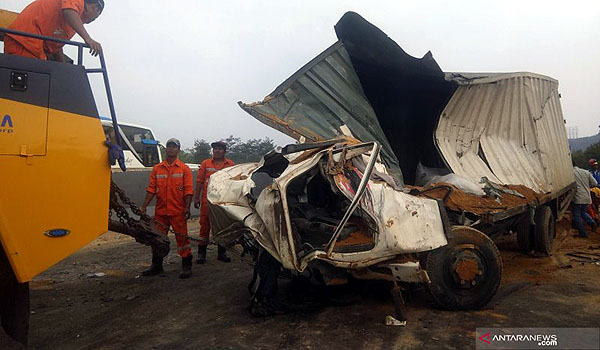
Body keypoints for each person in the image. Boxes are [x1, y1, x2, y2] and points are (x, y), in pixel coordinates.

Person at [141, 138, 194, 278]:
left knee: (182, 240)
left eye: (174, 147)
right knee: (157, 239)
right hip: (161, 212)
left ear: (178, 150)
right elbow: (151, 189)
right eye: (169, 147)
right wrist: (144, 206)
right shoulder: (157, 169)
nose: (171, 149)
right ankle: (156, 266)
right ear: (166, 149)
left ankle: (186, 265)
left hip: (178, 211)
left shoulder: (184, 169)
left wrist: (187, 208)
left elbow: (188, 190)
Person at [4, 0, 104, 61]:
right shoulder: (75, 5)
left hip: (33, 48)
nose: (95, 19)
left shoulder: (72, 23)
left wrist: (63, 67)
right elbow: (69, 11)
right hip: (23, 43)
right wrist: (88, 39)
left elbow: (55, 45)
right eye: (98, 15)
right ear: (94, 7)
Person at [194, 141, 235, 264]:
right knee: (204, 227)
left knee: (222, 226)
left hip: (223, 202)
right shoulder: (205, 163)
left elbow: (234, 183)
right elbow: (200, 181)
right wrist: (196, 198)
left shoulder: (231, 164)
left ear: (224, 151)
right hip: (207, 202)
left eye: (220, 149)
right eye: (215, 149)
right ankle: (202, 254)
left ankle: (222, 252)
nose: (217, 151)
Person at [572, 166, 598, 238]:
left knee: (577, 215)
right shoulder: (586, 172)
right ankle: (592, 222)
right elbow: (595, 183)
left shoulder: (571, 173)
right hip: (587, 197)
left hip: (578, 198)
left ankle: (583, 233)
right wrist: (586, 186)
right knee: (583, 212)